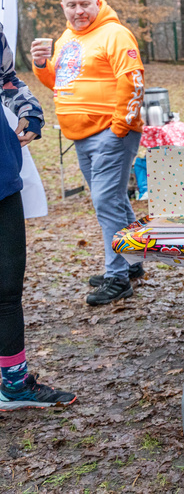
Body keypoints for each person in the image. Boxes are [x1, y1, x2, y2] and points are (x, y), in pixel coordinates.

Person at [31, 0, 146, 306]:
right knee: (114, 201)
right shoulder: (68, 37)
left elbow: (132, 78)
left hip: (111, 132)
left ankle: (117, 278)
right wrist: (42, 65)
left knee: (105, 202)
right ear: (63, 7)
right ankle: (132, 262)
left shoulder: (114, 33)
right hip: (81, 135)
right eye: (72, 5)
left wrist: (120, 127)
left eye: (84, 4)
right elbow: (61, 81)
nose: (79, 11)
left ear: (97, 3)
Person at [1, 25, 77, 410]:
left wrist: (29, 113)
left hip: (1, 173)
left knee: (7, 287)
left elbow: (7, 78)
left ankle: (14, 384)